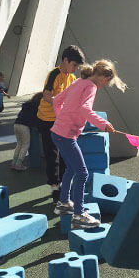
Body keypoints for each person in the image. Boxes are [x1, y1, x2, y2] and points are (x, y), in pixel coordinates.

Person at [51, 59, 126, 229]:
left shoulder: (79, 81)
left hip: (58, 133)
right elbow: (86, 109)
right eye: (107, 81)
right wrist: (103, 124)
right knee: (83, 173)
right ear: (104, 77)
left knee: (71, 169)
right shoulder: (91, 87)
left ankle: (63, 203)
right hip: (66, 135)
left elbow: (57, 101)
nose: (105, 85)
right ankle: (79, 214)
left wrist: (62, 119)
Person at [38, 45, 85, 198]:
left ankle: (64, 183)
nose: (76, 69)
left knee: (65, 152)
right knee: (52, 154)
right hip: (47, 119)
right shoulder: (54, 74)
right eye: (74, 65)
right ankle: (54, 185)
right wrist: (60, 107)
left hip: (62, 121)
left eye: (77, 66)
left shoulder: (72, 78)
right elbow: (46, 95)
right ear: (65, 60)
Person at [11, 92, 43, 170]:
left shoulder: (27, 104)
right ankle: (19, 164)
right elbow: (36, 119)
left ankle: (14, 163)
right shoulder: (37, 106)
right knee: (25, 144)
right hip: (24, 126)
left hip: (16, 124)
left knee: (19, 144)